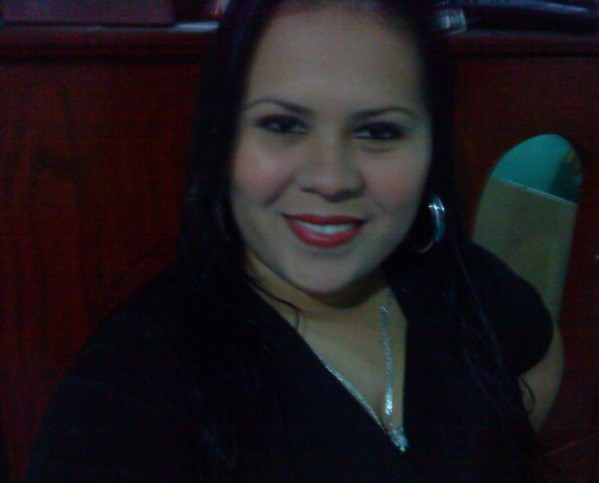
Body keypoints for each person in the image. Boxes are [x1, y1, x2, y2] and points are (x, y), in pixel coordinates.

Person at [27, 0, 564, 481]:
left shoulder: (463, 283)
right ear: (224, 138)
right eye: (283, 125)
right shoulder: (133, 389)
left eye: (378, 132)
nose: (331, 179)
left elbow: (540, 353)